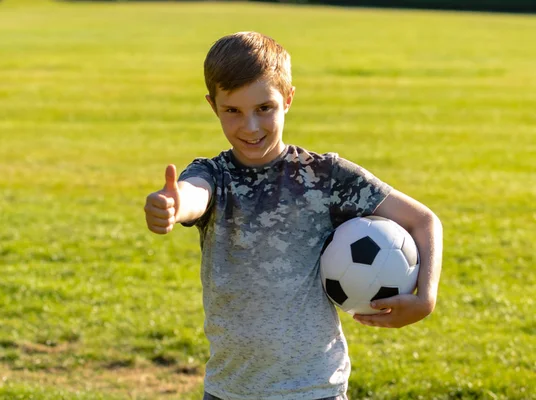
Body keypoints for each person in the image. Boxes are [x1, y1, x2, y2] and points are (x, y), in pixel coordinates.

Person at [144, 31, 443, 400]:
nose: (250, 127)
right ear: (213, 106)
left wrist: (424, 299)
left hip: (316, 389)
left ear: (287, 99)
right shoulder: (214, 175)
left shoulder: (325, 176)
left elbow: (423, 221)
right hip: (230, 390)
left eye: (264, 108)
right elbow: (194, 195)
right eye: (232, 111)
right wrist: (174, 206)